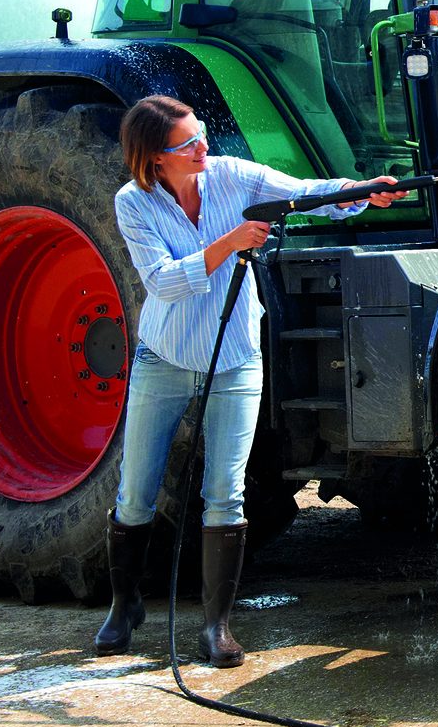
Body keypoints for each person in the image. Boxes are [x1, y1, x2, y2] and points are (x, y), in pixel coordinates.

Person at [93, 95, 406, 666]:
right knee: (136, 493)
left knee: (226, 494)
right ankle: (125, 605)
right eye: (188, 144)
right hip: (162, 359)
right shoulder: (133, 204)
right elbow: (163, 283)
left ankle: (217, 628)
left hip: (236, 356)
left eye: (201, 134)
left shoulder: (232, 177)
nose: (203, 148)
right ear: (155, 159)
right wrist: (228, 244)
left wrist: (363, 191)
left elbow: (306, 194)